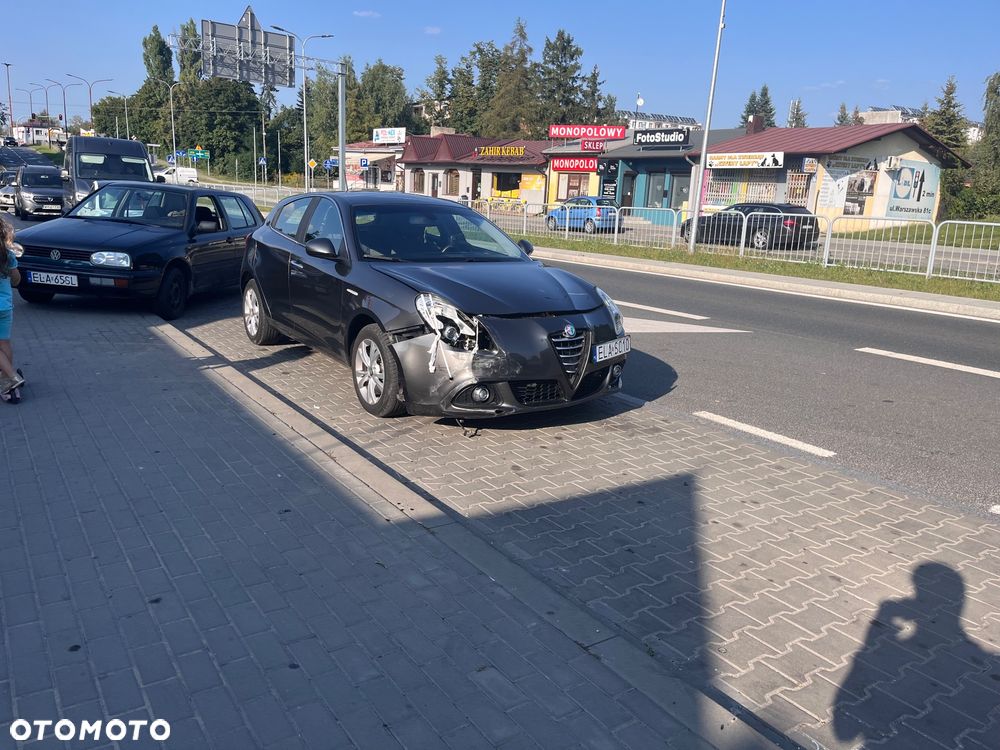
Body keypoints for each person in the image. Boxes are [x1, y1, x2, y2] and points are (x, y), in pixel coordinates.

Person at [0, 217, 24, 400]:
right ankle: (7, 380)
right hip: (5, 306)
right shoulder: (8, 255)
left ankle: (11, 377)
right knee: (4, 342)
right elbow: (16, 280)